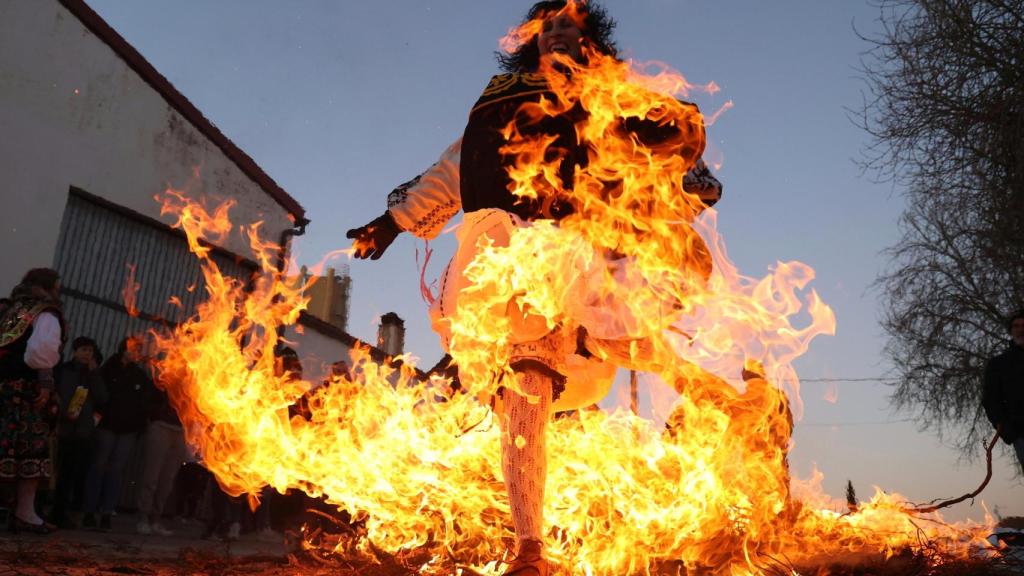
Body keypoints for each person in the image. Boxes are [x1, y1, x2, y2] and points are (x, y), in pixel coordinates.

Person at [346, 2, 721, 574]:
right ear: (532, 41)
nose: (557, 32)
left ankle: (706, 393)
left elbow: (654, 145)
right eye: (548, 27)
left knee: (610, 337)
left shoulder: (608, 90)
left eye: (567, 24)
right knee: (524, 380)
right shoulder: (500, 93)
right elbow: (455, 168)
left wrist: (679, 167)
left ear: (588, 35)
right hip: (497, 252)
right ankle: (529, 550)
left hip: (574, 247)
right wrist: (392, 221)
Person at [0, 268, 65, 534]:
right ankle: (25, 514)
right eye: (57, 286)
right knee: (32, 451)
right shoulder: (46, 312)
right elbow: (40, 352)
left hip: (2, 389)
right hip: (25, 393)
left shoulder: (11, 308)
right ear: (48, 286)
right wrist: (45, 383)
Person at [82, 336, 155, 531]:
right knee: (98, 466)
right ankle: (89, 511)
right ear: (124, 350)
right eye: (134, 349)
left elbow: (145, 403)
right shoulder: (108, 369)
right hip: (107, 427)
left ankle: (107, 513)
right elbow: (99, 395)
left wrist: (140, 424)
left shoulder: (140, 376)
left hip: (128, 431)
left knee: (116, 471)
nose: (137, 354)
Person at [52, 336, 108, 528]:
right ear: (75, 351)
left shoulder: (93, 374)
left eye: (90, 351)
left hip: (84, 432)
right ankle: (56, 513)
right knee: (61, 473)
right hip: (64, 429)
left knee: (79, 474)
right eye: (84, 350)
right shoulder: (64, 370)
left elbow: (102, 398)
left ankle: (72, 515)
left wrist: (94, 375)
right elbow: (56, 394)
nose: (87, 354)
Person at [135, 373, 187, 536]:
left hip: (181, 432)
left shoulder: (196, 381)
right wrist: (156, 415)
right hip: (161, 427)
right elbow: (146, 400)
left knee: (167, 480)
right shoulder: (164, 375)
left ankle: (156, 519)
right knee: (152, 476)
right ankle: (143, 518)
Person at [982, 309, 1024, 474]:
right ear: (1011, 330)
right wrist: (1008, 431)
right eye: (1016, 326)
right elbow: (991, 400)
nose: (1020, 329)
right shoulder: (999, 365)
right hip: (1021, 432)